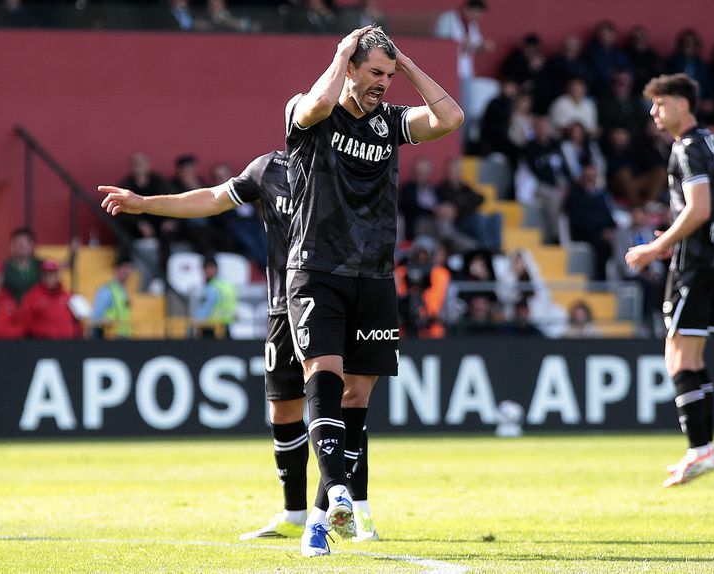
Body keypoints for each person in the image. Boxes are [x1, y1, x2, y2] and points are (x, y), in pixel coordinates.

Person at [99, 151, 383, 544]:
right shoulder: (269, 168)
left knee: (350, 397)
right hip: (284, 303)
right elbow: (213, 198)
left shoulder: (346, 164)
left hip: (338, 298)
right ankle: (294, 513)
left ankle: (359, 506)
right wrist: (145, 204)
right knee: (283, 409)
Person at [284, 26, 462, 556]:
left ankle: (321, 518)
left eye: (389, 74)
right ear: (352, 67)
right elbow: (314, 106)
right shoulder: (309, 109)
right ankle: (340, 488)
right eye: (375, 72)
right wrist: (340, 54)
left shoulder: (390, 122)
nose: (383, 83)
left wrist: (405, 63)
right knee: (324, 375)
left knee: (358, 395)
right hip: (319, 268)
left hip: (376, 273)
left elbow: (450, 118)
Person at [626, 73, 714, 487]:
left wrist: (657, 248)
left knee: (678, 358)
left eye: (659, 104)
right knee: (691, 357)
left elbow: (698, 208)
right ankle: (703, 448)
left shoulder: (688, 148)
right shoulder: (713, 144)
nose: (654, 112)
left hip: (693, 264)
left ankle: (700, 449)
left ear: (681, 104)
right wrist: (691, 231)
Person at [20, 260, 82, 340]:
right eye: (46, 274)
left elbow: (77, 324)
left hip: (67, 344)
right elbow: (25, 323)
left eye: (52, 274)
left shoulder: (67, 297)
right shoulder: (32, 297)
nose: (49, 278)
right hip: (42, 344)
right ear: (41, 276)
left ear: (57, 275)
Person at [192, 256, 238, 339]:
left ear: (216, 269)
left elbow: (203, 311)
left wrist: (194, 322)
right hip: (225, 327)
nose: (207, 271)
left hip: (211, 329)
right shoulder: (228, 285)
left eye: (209, 268)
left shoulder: (211, 288)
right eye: (205, 268)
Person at [90, 257, 133, 339]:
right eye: (125, 269)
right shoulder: (107, 290)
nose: (128, 272)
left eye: (130, 269)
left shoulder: (123, 290)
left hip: (123, 335)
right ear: (117, 269)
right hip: (111, 337)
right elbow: (96, 317)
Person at [3, 227, 42, 303]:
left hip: (38, 310)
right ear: (11, 245)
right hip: (12, 311)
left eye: (24, 243)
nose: (21, 246)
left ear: (32, 245)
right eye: (17, 242)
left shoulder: (42, 266)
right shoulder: (3, 268)